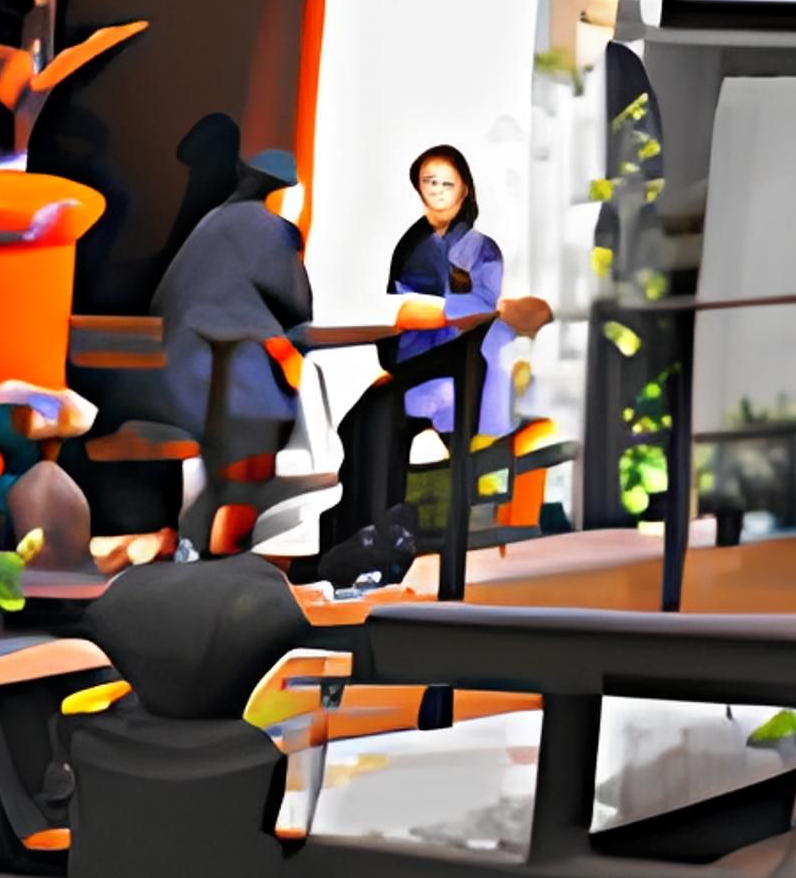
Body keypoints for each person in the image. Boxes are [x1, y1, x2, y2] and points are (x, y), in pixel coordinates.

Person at [324, 143, 548, 580]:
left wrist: (427, 314)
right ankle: (358, 538)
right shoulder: (410, 245)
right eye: (430, 182)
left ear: (464, 189)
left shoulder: (481, 248)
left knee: (385, 415)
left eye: (447, 183)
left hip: (462, 366)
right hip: (414, 363)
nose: (439, 191)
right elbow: (398, 310)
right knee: (360, 419)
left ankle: (382, 539)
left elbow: (477, 310)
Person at [146, 145, 318, 555]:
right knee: (255, 447)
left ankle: (198, 545)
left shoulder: (212, 222)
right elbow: (298, 304)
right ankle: (226, 556)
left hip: (175, 377)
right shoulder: (268, 230)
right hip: (226, 382)